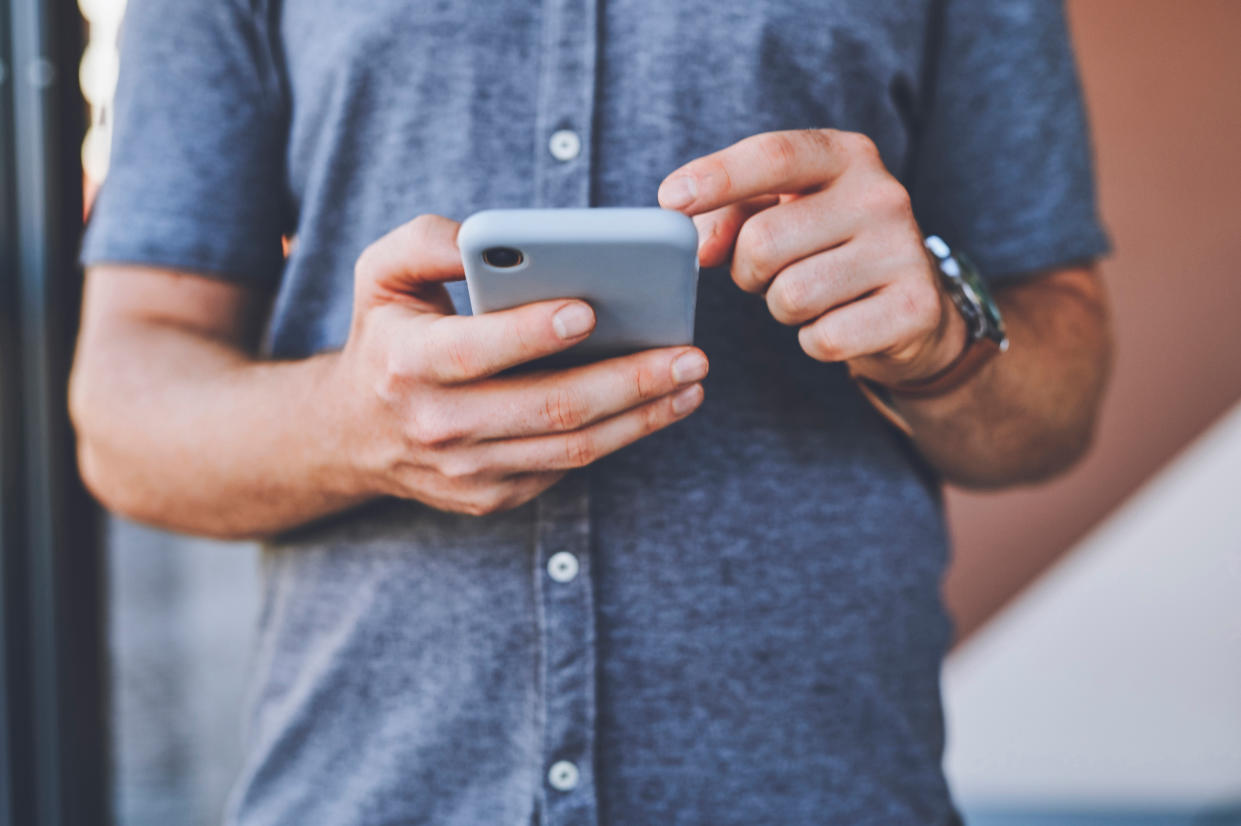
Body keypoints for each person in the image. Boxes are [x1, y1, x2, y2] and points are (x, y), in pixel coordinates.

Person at [69, 0, 1112, 823]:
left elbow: (1058, 400)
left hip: (825, 787)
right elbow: (122, 413)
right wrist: (352, 424)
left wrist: (936, 341)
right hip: (370, 789)